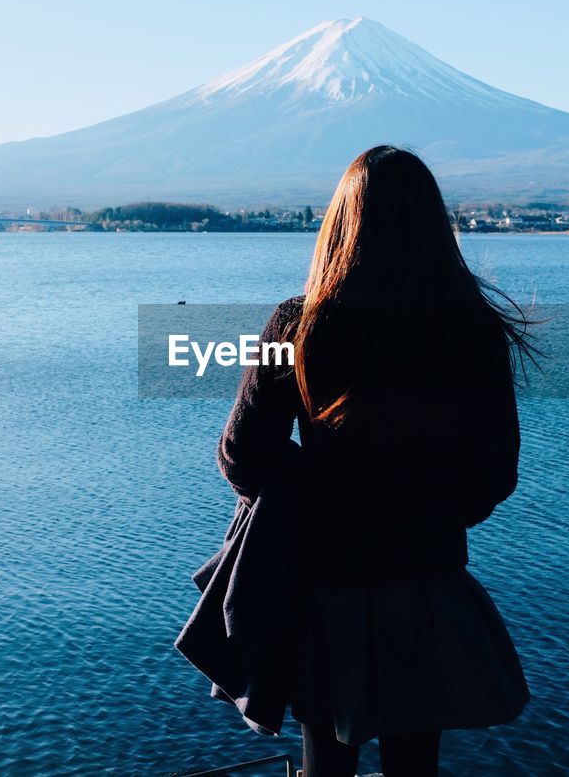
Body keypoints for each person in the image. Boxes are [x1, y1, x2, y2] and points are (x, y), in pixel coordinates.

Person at [217, 146, 532, 777]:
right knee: (415, 767)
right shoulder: (472, 329)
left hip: (324, 587)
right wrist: (428, 513)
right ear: (432, 224)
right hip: (426, 580)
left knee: (324, 767)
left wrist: (321, 495)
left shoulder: (296, 326)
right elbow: (495, 474)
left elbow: (242, 456)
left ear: (341, 222)